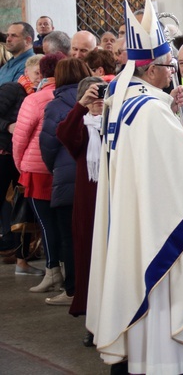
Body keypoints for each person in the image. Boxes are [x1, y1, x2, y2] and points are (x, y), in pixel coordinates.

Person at [87, 0, 183, 375]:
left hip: (130, 220)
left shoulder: (124, 99)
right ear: (151, 70)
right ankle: (158, 364)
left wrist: (168, 101)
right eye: (170, 66)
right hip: (152, 223)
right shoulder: (149, 110)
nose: (174, 72)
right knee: (158, 294)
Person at [39, 58, 93, 306]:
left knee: (71, 239)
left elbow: (49, 144)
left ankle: (73, 290)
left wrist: (55, 169)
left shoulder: (56, 104)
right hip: (93, 180)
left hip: (66, 177)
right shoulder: (95, 97)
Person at [55, 75, 105, 345]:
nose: (96, 100)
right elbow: (64, 135)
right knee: (88, 260)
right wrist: (82, 107)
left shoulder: (114, 122)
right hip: (87, 202)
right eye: (90, 95)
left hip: (113, 199)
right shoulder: (81, 124)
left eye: (99, 95)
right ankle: (94, 322)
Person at [12, 52, 66, 283]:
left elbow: (20, 138)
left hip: (37, 170)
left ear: (42, 73)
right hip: (63, 168)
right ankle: (66, 270)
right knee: (64, 223)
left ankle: (52, 270)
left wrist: (20, 166)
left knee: (46, 225)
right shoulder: (71, 94)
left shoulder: (34, 99)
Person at [0, 54, 44, 273]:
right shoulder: (12, 89)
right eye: (37, 73)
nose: (40, 77)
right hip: (4, 154)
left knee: (22, 207)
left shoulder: (39, 94)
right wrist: (8, 125)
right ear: (27, 72)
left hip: (22, 157)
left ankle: (22, 260)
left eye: (44, 73)